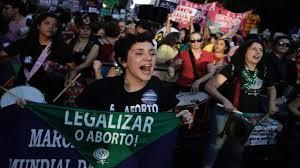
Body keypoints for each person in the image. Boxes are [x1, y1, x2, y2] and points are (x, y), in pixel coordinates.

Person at [76, 33, 193, 168]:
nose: (148, 58)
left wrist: (182, 119)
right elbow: (77, 122)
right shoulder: (101, 88)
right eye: (139, 53)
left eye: (152, 53)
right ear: (123, 61)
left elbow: (166, 122)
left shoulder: (159, 87)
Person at [202, 39, 277, 168]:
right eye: (254, 49)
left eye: (261, 50)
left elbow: (271, 88)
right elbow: (209, 86)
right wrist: (225, 100)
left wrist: (271, 104)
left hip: (246, 117)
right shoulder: (232, 68)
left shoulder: (263, 71)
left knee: (238, 150)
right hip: (225, 114)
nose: (258, 52)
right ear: (245, 51)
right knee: (216, 146)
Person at [0, 12, 73, 103]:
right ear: (38, 26)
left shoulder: (64, 47)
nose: (51, 27)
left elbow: (71, 67)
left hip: (47, 94)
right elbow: (3, 55)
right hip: (22, 89)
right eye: (47, 23)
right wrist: (10, 74)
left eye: (55, 25)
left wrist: (59, 70)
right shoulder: (25, 42)